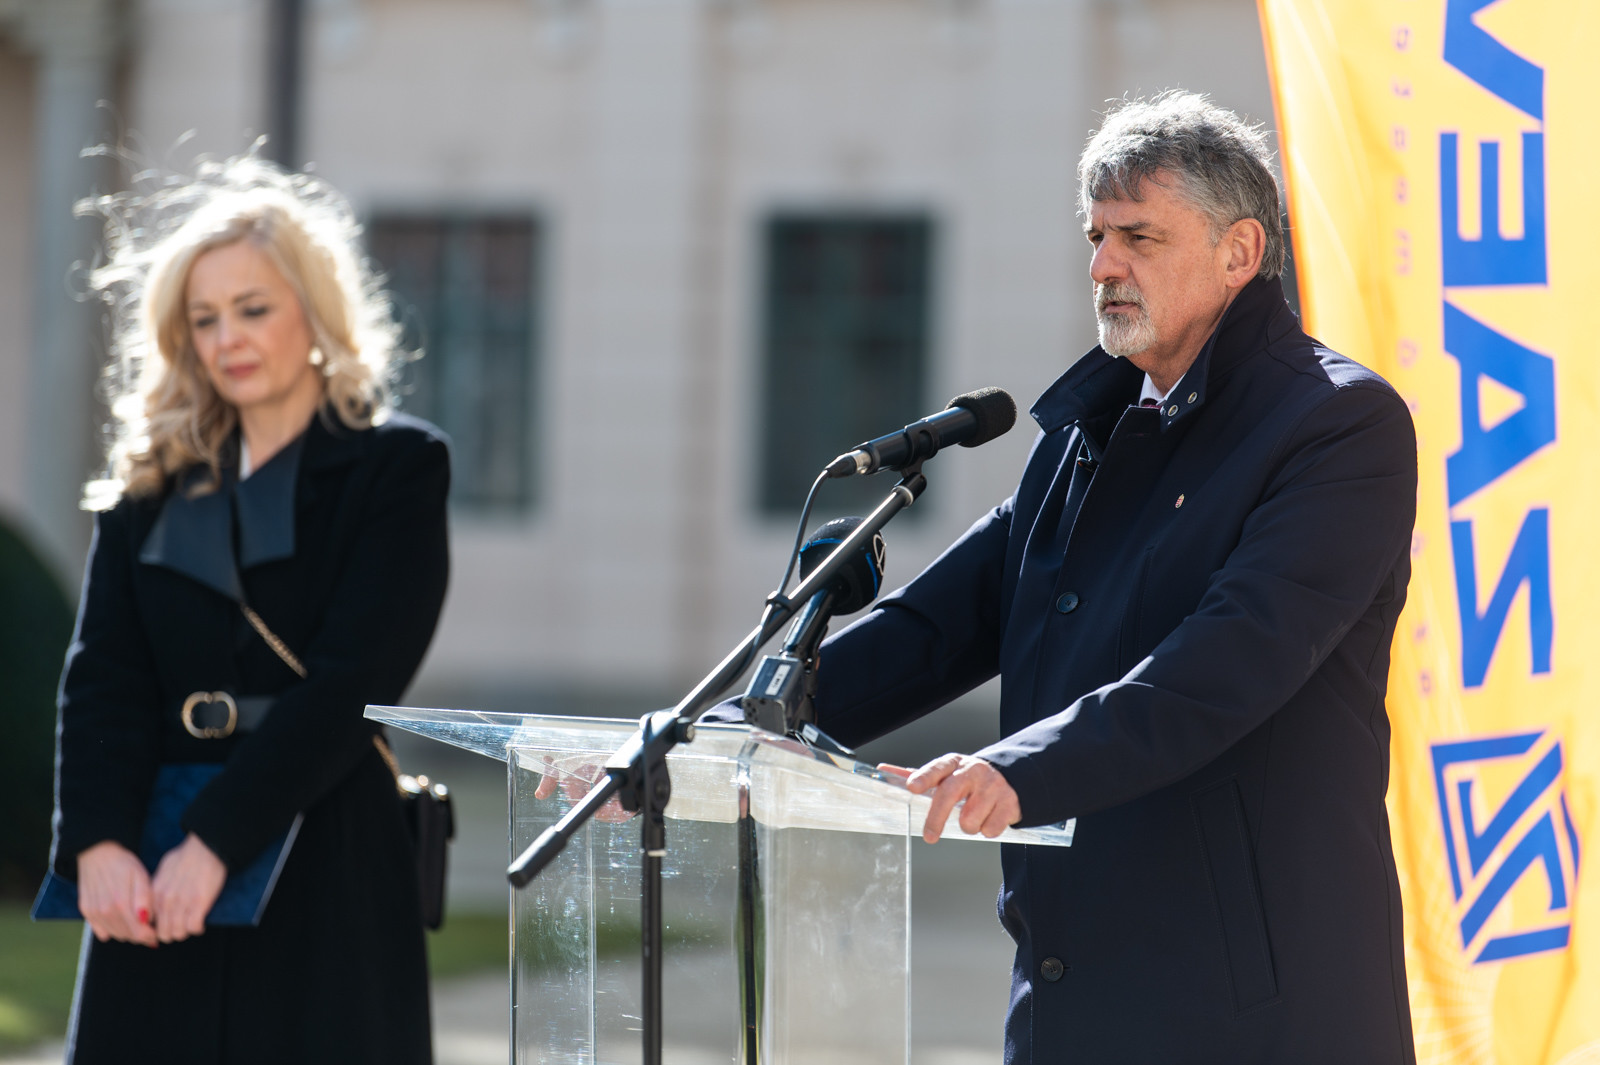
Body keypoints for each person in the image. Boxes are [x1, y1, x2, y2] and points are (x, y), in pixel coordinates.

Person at [808, 92, 1418, 1063]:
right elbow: (930, 632)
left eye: (1138, 236)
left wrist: (1014, 771)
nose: (1102, 265)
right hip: (1069, 999)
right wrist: (713, 733)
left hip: (1256, 1011)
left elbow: (1223, 664)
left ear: (1239, 252)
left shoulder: (1337, 426)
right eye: (1096, 236)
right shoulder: (1080, 439)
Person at [45, 153, 450, 1063]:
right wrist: (98, 843)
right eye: (204, 317)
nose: (227, 336)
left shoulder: (398, 468)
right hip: (151, 865)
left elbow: (354, 680)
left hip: (325, 847)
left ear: (313, 309)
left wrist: (216, 841)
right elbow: (102, 676)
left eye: (253, 308)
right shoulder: (151, 483)